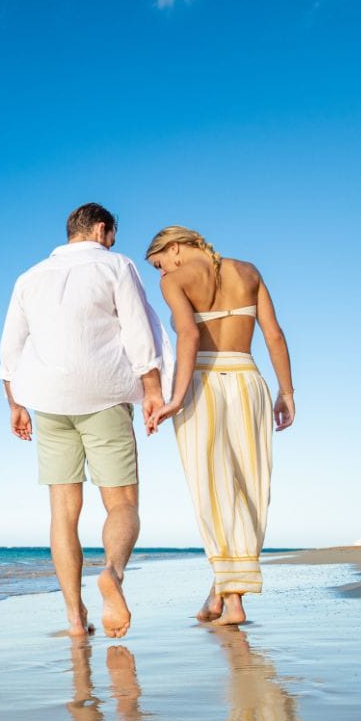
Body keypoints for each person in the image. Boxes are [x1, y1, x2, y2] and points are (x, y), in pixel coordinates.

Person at [0, 203, 172, 638]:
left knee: (63, 513)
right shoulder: (116, 265)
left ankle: (75, 618)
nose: (113, 241)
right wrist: (153, 390)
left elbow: (10, 351)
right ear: (101, 229)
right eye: (112, 234)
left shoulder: (29, 277)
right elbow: (138, 331)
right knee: (122, 504)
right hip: (105, 396)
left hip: (48, 403)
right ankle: (112, 572)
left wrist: (15, 404)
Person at [144, 226, 295, 625]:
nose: (161, 274)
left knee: (213, 489)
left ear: (174, 249)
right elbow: (274, 335)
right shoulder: (248, 271)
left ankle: (233, 603)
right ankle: (222, 595)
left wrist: (176, 397)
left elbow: (188, 334)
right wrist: (287, 392)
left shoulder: (176, 281)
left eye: (159, 265)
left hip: (204, 383)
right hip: (249, 380)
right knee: (251, 486)